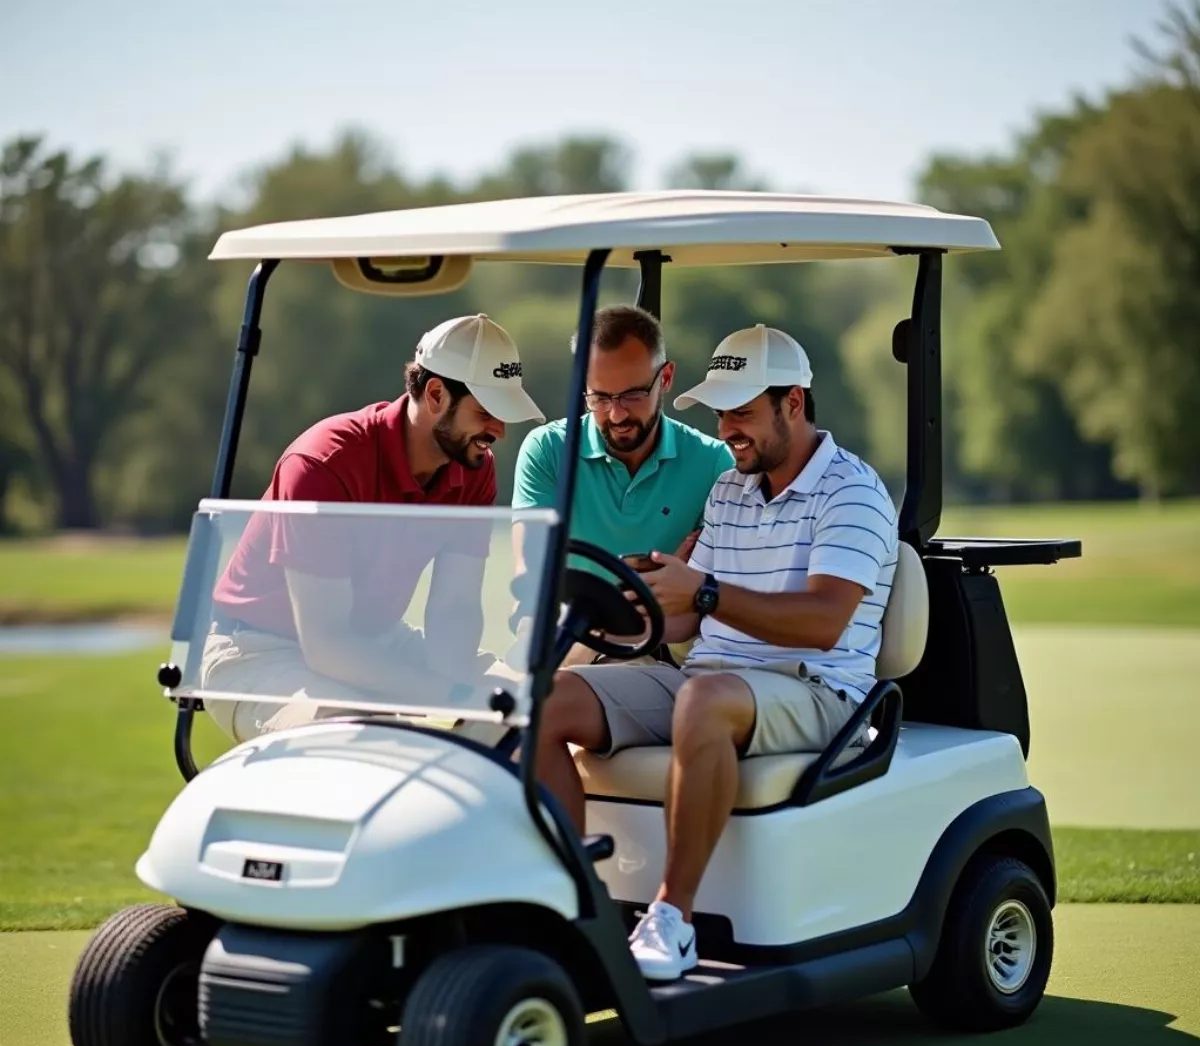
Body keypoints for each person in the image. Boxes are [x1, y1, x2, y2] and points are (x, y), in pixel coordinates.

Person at [534, 324, 899, 981]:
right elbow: (679, 615)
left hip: (819, 690)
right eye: (722, 413)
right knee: (544, 701)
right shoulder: (732, 489)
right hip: (713, 678)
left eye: (743, 413)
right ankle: (573, 906)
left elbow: (823, 621)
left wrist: (701, 592)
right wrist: (625, 599)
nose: (728, 428)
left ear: (793, 404)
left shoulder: (853, 492)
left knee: (703, 699)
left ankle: (672, 919)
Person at [200, 313, 544, 743]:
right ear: (436, 394)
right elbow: (326, 644)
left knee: (531, 705)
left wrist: (478, 700)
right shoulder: (323, 463)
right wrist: (454, 694)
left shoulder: (473, 467)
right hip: (257, 650)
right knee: (366, 734)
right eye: (487, 411)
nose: (500, 430)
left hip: (375, 639)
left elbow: (453, 609)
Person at [509, 305, 732, 665]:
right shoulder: (547, 450)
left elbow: (699, 601)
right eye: (599, 397)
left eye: (633, 395)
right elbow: (531, 576)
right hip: (558, 632)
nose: (616, 414)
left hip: (660, 648)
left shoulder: (715, 464)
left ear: (667, 377)